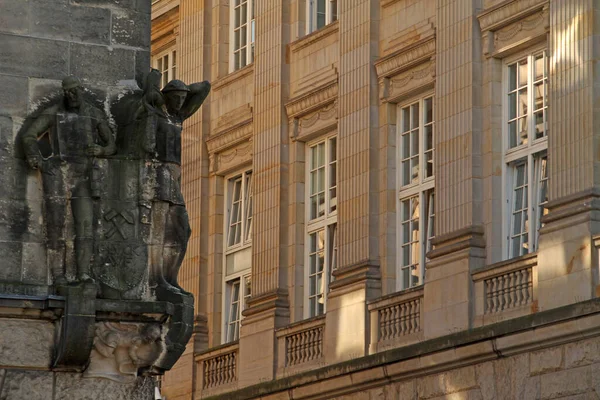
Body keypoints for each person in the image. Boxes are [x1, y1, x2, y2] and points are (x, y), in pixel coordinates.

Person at [20, 76, 116, 285]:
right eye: (68, 92)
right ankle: (58, 275)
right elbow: (29, 134)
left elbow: (111, 145)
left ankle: (83, 273)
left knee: (84, 225)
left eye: (74, 91)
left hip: (84, 174)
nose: (71, 95)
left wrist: (101, 150)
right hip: (58, 171)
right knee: (56, 224)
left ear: (81, 90)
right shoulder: (55, 111)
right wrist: (36, 158)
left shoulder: (93, 113)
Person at [137, 69, 211, 296]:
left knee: (181, 230)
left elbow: (204, 87)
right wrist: (157, 98)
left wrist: (179, 92)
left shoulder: (177, 116)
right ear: (166, 97)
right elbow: (147, 145)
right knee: (158, 230)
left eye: (182, 97)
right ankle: (155, 279)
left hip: (174, 174)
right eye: (176, 97)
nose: (180, 101)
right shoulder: (155, 115)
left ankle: (169, 277)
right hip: (158, 173)